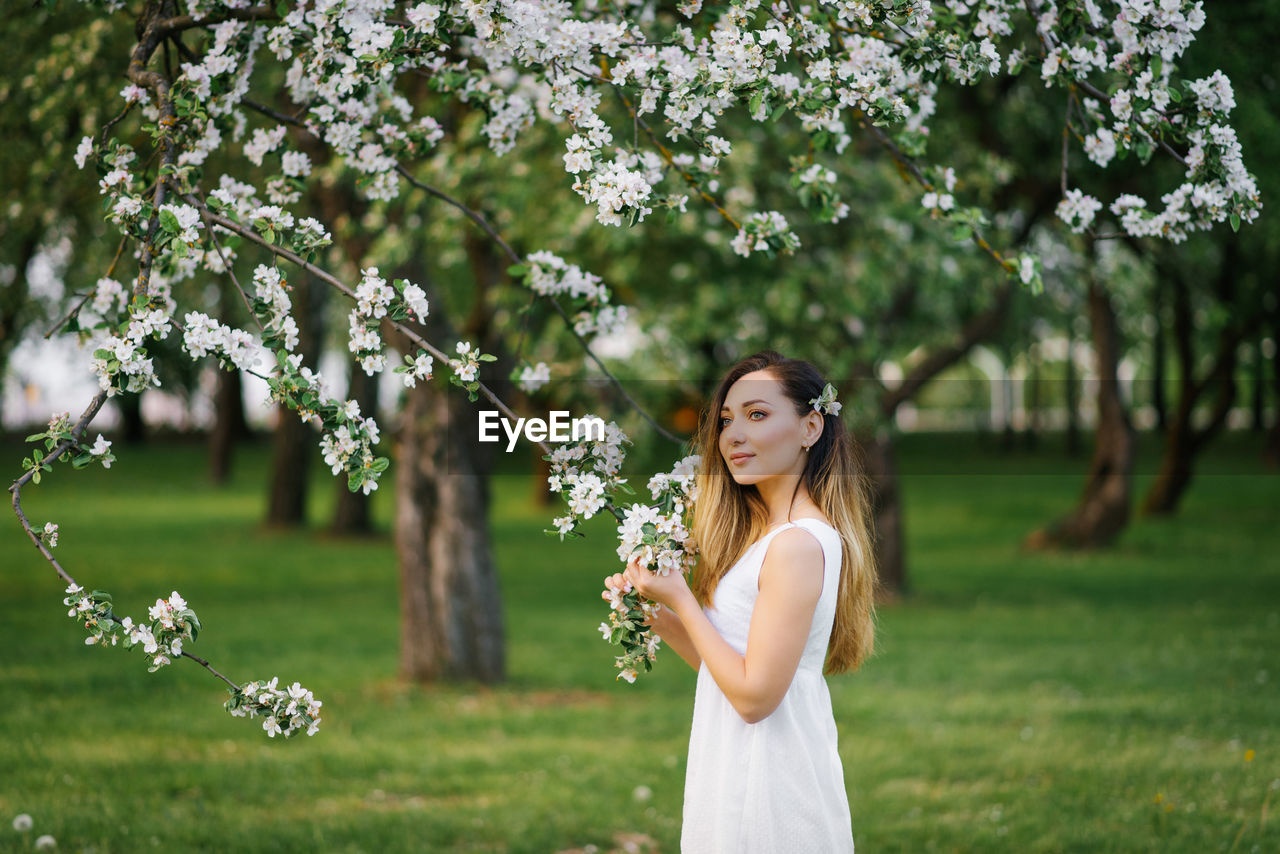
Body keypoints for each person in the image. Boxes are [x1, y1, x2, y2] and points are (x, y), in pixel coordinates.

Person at [604, 350, 877, 853]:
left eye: (757, 414)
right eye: (727, 419)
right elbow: (735, 672)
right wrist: (662, 616)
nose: (732, 435)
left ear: (810, 427)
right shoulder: (767, 537)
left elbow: (755, 699)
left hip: (772, 790)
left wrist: (684, 600)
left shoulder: (796, 544)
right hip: (734, 769)